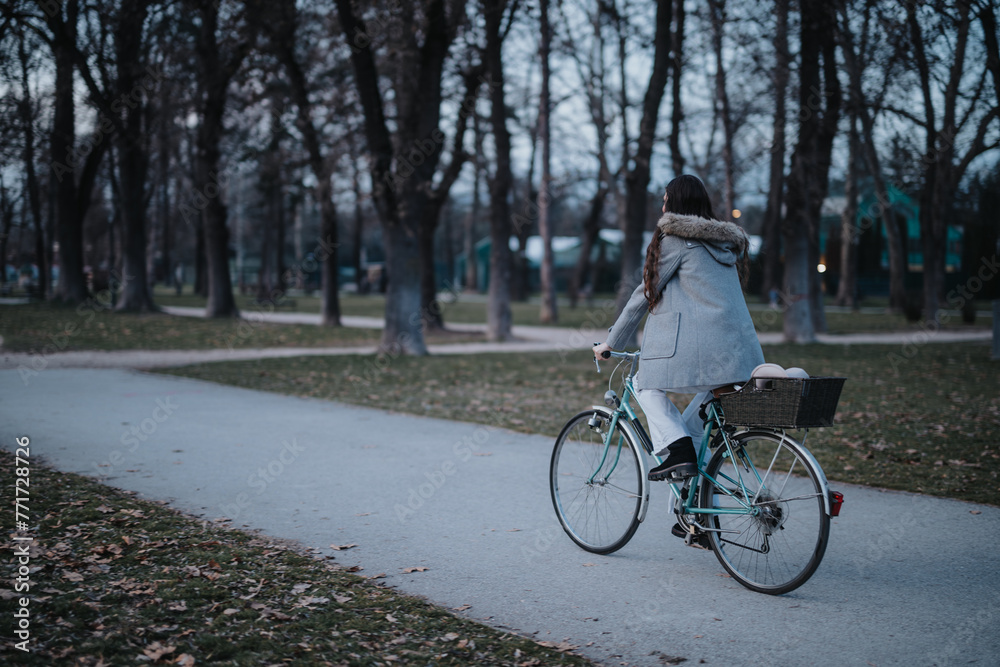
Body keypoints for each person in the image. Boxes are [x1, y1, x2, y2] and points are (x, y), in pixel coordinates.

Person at [593, 175, 764, 482]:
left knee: (645, 385)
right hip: (741, 354)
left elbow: (645, 293)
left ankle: (680, 453)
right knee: (692, 429)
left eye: (664, 198)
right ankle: (694, 521)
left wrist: (610, 341)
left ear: (674, 201)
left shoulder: (676, 241)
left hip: (705, 349)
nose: (662, 204)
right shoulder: (724, 244)